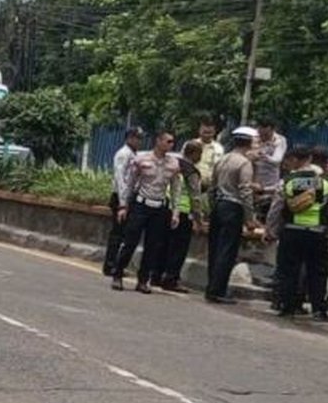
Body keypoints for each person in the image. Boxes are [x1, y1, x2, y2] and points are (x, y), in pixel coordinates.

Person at [267, 146, 328, 321]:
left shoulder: (288, 181)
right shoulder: (326, 182)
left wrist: (271, 230)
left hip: (292, 232)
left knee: (289, 271)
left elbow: (276, 209)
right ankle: (318, 310)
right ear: (309, 158)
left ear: (295, 160)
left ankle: (287, 307)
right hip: (317, 234)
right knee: (317, 273)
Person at [110, 130, 182, 294]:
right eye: (168, 141)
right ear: (158, 141)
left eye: (172, 142)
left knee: (153, 246)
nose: (171, 145)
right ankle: (118, 274)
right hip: (141, 205)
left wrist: (175, 211)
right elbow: (130, 183)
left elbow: (176, 188)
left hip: (159, 207)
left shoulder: (173, 164)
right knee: (130, 241)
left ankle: (143, 280)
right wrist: (123, 205)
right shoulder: (141, 159)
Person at [205, 126, 260, 304]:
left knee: (214, 249)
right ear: (249, 143)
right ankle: (218, 290)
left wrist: (213, 207)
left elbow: (212, 188)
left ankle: (211, 287)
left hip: (219, 206)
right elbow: (245, 191)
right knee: (227, 251)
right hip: (233, 207)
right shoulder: (244, 163)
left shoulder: (223, 159)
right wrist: (250, 218)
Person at [157, 139, 205, 292]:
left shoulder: (173, 164)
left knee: (163, 244)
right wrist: (198, 219)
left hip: (166, 208)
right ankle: (171, 279)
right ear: (195, 153)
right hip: (183, 213)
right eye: (200, 154)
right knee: (178, 248)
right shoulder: (191, 171)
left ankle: (156, 275)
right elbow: (195, 197)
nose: (201, 157)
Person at [103, 126, 144, 276]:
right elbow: (120, 178)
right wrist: (122, 202)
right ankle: (110, 265)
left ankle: (115, 263)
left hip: (129, 197)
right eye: (137, 138)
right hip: (121, 197)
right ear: (129, 138)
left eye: (140, 138)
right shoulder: (123, 154)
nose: (139, 141)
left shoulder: (134, 154)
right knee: (117, 233)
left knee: (124, 233)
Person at [249, 119, 287, 221]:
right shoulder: (253, 138)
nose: (263, 137)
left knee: (267, 211)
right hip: (253, 179)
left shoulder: (280, 140)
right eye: (261, 133)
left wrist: (263, 156)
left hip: (270, 182)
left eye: (266, 134)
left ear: (273, 129)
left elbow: (277, 159)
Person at [193, 117, 224, 189]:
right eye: (205, 132)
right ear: (199, 131)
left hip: (210, 186)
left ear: (214, 132)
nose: (207, 135)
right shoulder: (191, 145)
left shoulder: (219, 149)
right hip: (191, 185)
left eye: (209, 133)